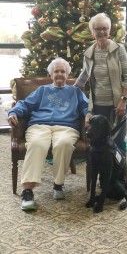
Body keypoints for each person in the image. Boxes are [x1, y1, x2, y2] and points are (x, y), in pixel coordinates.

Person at [8, 57, 89, 211]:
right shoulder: (42, 90)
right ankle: (27, 191)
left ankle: (58, 185)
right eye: (56, 71)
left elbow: (87, 107)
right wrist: (13, 112)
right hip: (39, 126)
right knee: (37, 144)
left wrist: (88, 116)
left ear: (67, 75)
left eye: (62, 71)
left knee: (63, 144)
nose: (59, 74)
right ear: (51, 74)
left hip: (66, 127)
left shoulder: (75, 91)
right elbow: (24, 105)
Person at [74, 13, 127, 157]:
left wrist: (123, 100)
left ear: (109, 30)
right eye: (98, 28)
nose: (102, 32)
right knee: (99, 143)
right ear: (92, 31)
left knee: (118, 143)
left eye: (105, 28)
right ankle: (104, 178)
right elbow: (84, 75)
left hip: (117, 105)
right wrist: (69, 89)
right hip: (97, 107)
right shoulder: (89, 53)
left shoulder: (119, 49)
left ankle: (119, 178)